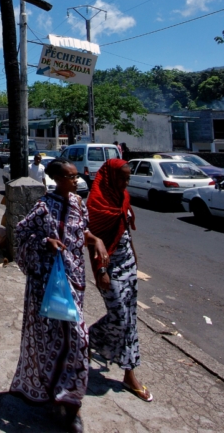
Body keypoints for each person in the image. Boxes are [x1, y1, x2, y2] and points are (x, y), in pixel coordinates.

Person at [10, 159, 109, 433]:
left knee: (75, 340)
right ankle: (61, 397)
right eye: (70, 176)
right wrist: (46, 241)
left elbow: (82, 231)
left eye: (76, 176)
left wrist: (96, 240)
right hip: (48, 284)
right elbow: (21, 233)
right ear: (56, 178)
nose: (75, 181)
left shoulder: (78, 203)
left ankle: (67, 399)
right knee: (58, 339)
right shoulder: (43, 206)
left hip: (75, 282)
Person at [87, 159, 153, 403]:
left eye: (128, 178)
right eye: (123, 178)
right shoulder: (96, 203)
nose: (126, 183)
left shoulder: (123, 197)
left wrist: (134, 255)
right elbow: (91, 241)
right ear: (111, 178)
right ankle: (88, 338)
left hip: (128, 265)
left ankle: (129, 374)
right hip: (109, 267)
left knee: (130, 319)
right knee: (120, 317)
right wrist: (101, 271)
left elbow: (125, 227)